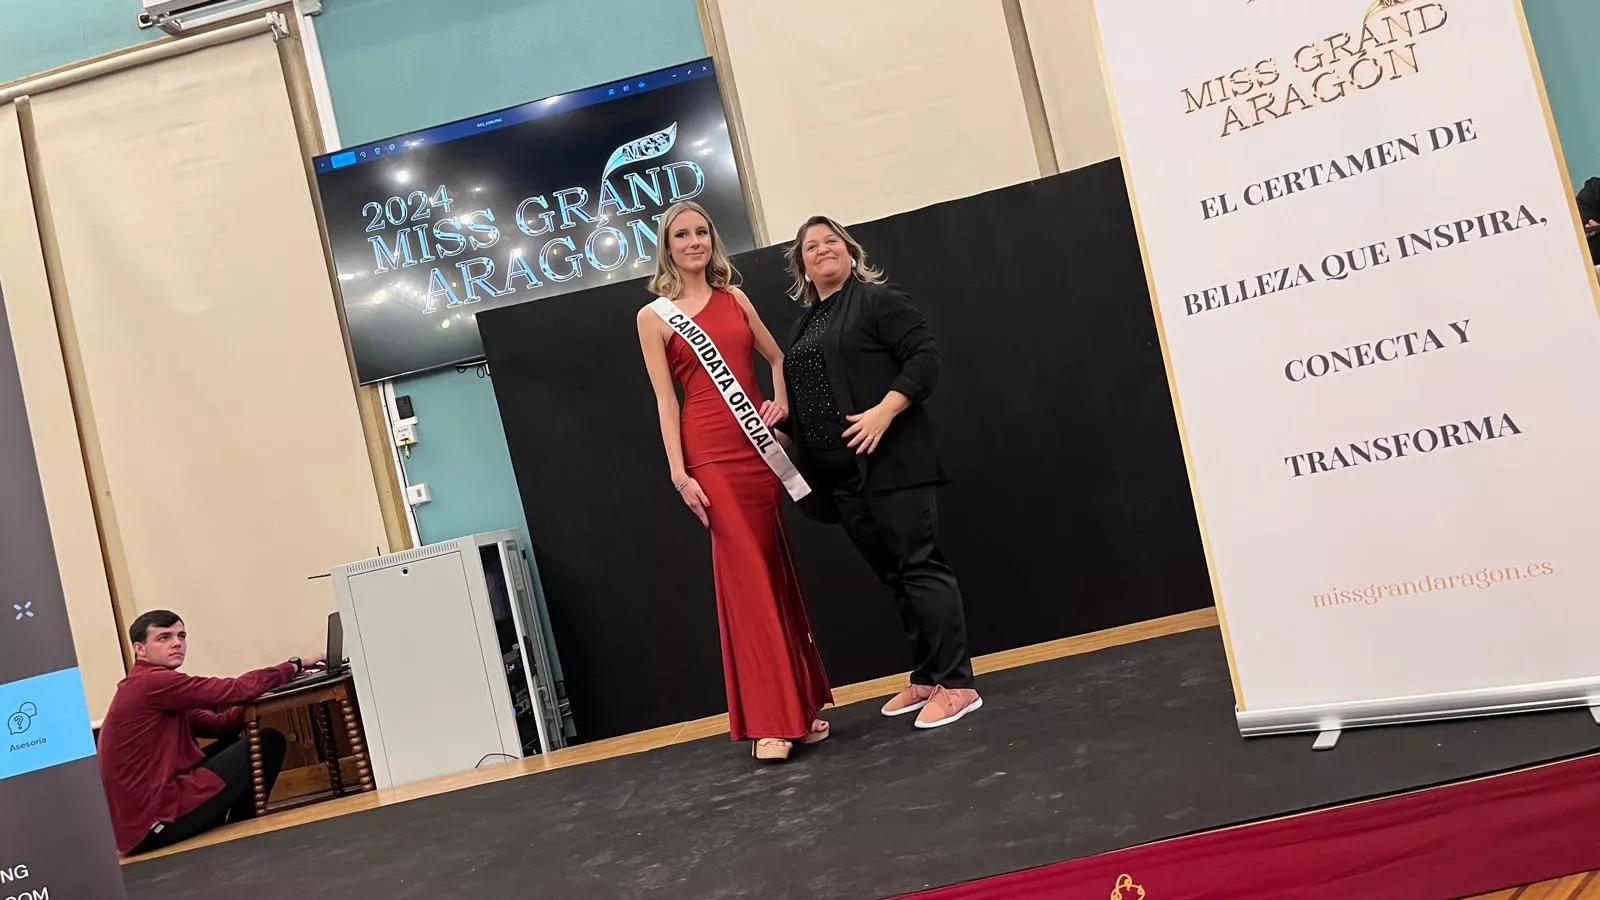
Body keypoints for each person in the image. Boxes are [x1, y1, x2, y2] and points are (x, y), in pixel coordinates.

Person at [634, 200, 833, 762]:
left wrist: (781, 407)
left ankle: (802, 705)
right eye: (682, 235)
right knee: (745, 581)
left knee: (772, 574)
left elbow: (778, 358)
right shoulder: (654, 317)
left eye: (702, 232)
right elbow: (665, 401)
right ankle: (772, 721)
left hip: (756, 453)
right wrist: (678, 472)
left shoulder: (735, 299)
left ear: (711, 241)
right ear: (667, 247)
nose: (694, 241)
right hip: (710, 458)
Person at [777, 215, 981, 730]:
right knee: (895, 576)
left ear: (850, 251)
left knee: (919, 566)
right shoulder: (802, 326)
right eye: (811, 246)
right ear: (801, 263)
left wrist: (883, 412)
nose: (822, 250)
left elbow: (924, 359)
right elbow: (811, 395)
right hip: (841, 479)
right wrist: (782, 431)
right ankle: (928, 673)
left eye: (831, 242)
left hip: (893, 463)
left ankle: (957, 684)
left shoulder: (879, 301)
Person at [98, 609, 326, 855]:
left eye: (181, 635)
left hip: (150, 814)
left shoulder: (157, 689)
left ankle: (239, 823)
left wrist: (261, 691)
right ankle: (244, 824)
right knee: (269, 742)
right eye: (164, 638)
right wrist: (294, 666)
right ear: (140, 649)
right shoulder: (151, 683)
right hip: (155, 823)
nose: (177, 643)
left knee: (244, 742)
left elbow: (221, 726)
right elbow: (235, 688)